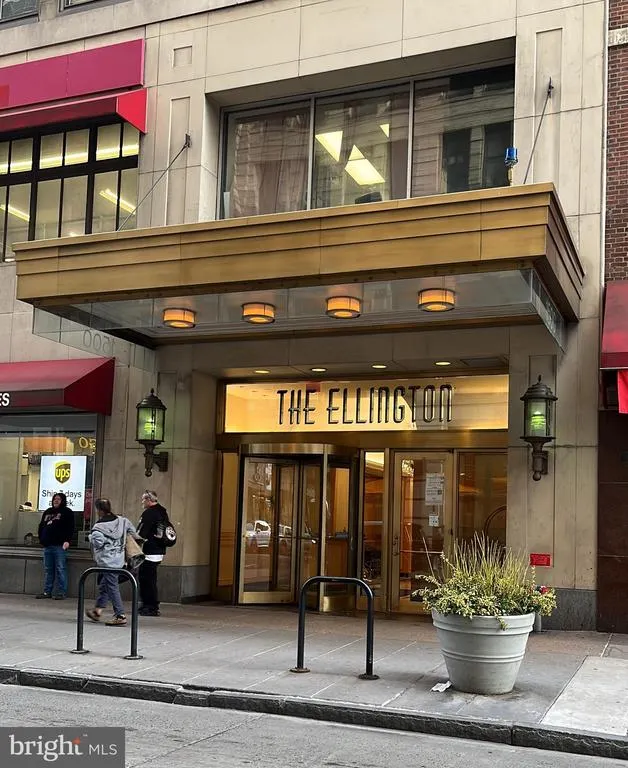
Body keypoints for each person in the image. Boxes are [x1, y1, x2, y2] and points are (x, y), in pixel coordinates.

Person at [86, 498, 139, 627]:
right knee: (105, 584)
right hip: (119, 560)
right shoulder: (123, 521)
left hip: (106, 561)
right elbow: (134, 533)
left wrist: (90, 537)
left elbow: (98, 543)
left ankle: (120, 615)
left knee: (112, 587)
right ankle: (97, 611)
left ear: (99, 510)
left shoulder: (98, 527)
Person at [36, 492, 74, 600]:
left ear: (63, 501)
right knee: (48, 570)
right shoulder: (48, 512)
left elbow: (70, 527)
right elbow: (41, 526)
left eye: (58, 499)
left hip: (59, 546)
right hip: (47, 545)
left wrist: (67, 540)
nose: (56, 501)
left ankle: (62, 592)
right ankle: (47, 591)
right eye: (54, 499)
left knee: (61, 569)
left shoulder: (67, 512)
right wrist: (41, 539)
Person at [137, 490, 168, 617]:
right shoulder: (162, 511)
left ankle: (149, 606)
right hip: (159, 550)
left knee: (146, 579)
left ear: (149, 500)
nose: (142, 502)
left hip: (150, 550)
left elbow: (141, 532)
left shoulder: (149, 513)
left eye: (143, 499)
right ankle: (151, 604)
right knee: (151, 579)